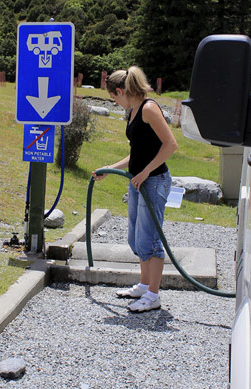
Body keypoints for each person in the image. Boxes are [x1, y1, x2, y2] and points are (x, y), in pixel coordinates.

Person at [92, 66, 177, 313]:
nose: (116, 103)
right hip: (138, 180)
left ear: (121, 91)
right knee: (136, 237)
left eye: (114, 98)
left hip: (154, 181)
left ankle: (153, 295)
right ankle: (143, 284)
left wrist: (146, 171)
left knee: (149, 239)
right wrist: (110, 168)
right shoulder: (133, 112)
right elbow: (137, 152)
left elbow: (170, 145)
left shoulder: (149, 109)